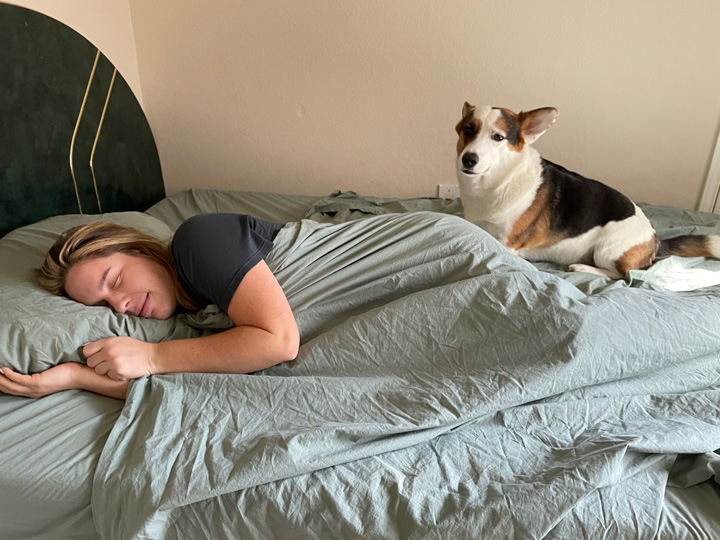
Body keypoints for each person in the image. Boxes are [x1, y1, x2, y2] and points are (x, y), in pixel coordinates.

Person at [0, 213, 300, 400]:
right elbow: (188, 384)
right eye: (103, 304)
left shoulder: (197, 240)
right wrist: (74, 376)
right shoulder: (187, 318)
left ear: (139, 250)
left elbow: (279, 342)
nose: (120, 305)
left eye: (115, 280)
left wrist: (154, 356)